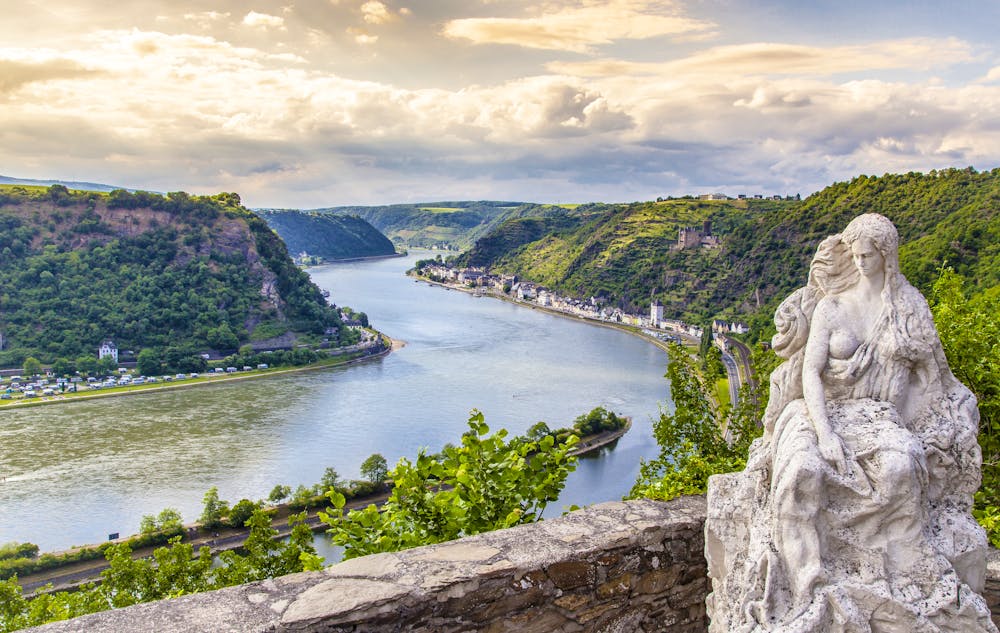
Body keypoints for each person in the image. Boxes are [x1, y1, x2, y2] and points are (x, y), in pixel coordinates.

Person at [705, 214, 996, 633]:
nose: (859, 263)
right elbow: (810, 373)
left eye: (867, 256)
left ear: (886, 256)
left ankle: (892, 574)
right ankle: (807, 586)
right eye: (854, 255)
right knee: (802, 471)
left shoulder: (908, 308)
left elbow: (934, 378)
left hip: (879, 417)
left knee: (899, 467)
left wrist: (930, 424)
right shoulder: (833, 306)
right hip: (818, 412)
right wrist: (825, 434)